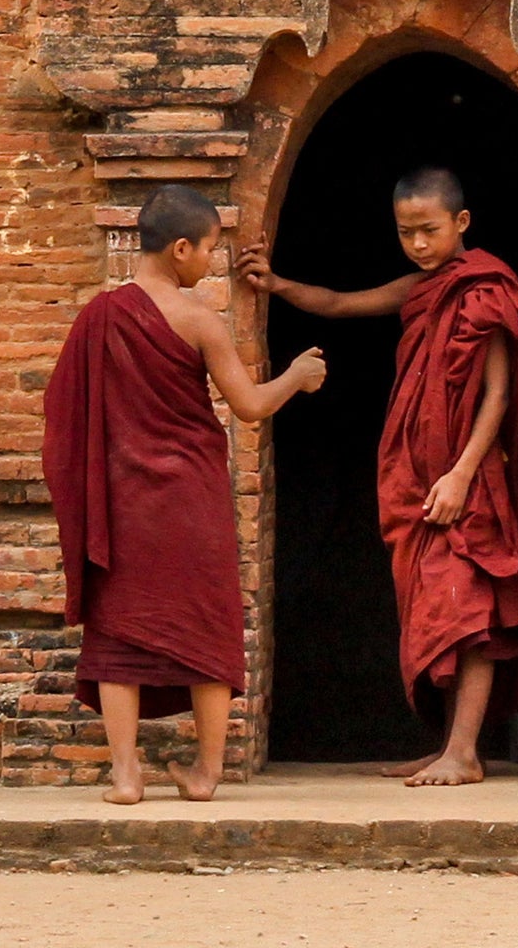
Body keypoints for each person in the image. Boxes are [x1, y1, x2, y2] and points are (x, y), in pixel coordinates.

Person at [246, 163, 518, 786]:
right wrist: (277, 285)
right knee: (444, 613)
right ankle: (452, 746)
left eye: (429, 230)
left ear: (462, 223)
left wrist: (459, 475)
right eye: (406, 233)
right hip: (422, 483)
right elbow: (342, 303)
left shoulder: (486, 291)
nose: (419, 245)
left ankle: (464, 752)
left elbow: (499, 397)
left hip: (469, 480)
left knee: (473, 608)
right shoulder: (421, 288)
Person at [40, 183, 323, 804]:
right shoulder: (199, 321)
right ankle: (206, 773)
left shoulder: (98, 317)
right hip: (192, 501)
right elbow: (249, 406)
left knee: (116, 631)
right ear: (181, 248)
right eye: (212, 251)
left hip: (123, 504)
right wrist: (297, 378)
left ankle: (125, 774)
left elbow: (63, 416)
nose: (212, 263)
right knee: (206, 626)